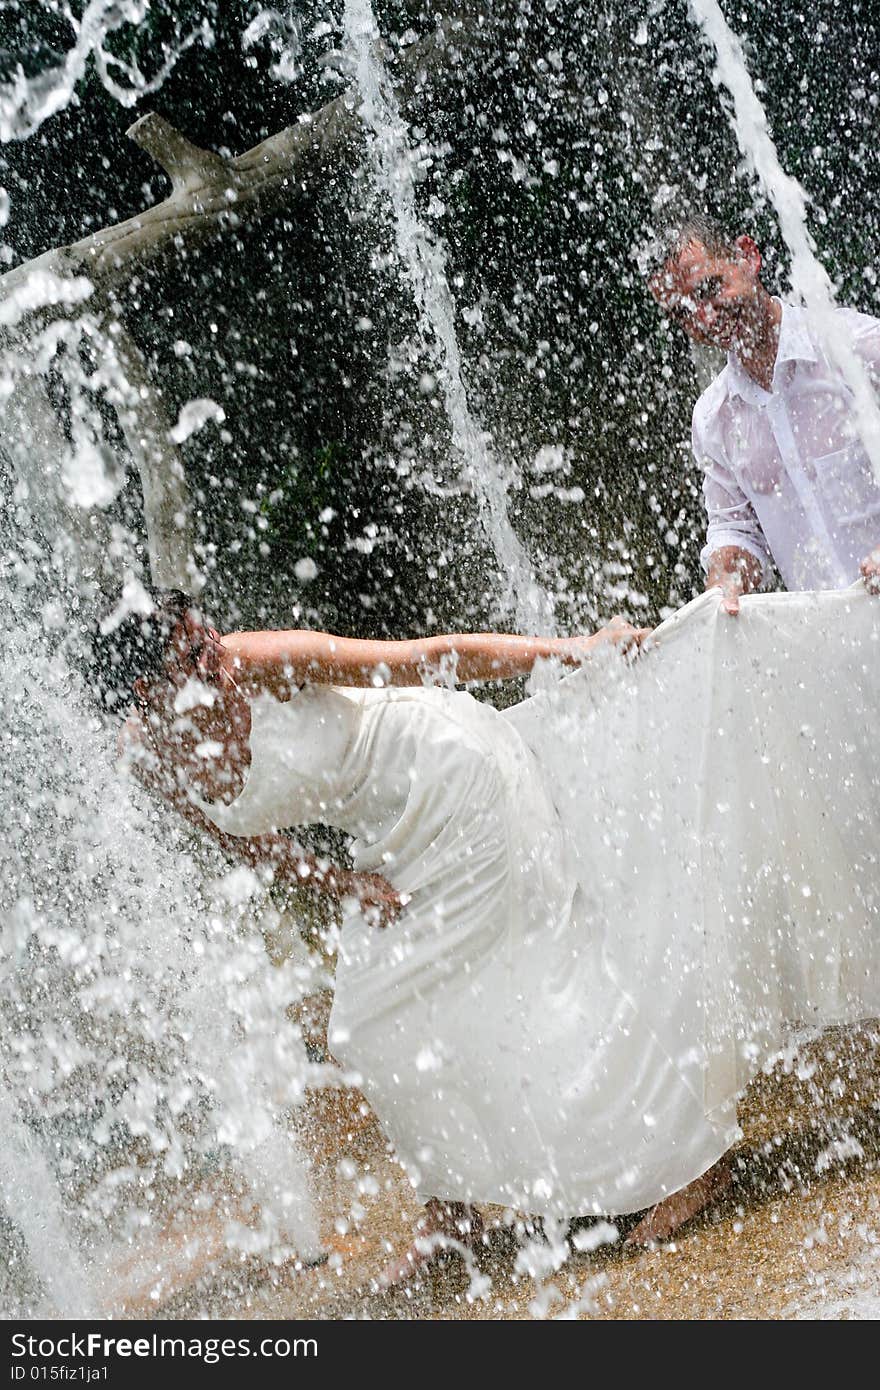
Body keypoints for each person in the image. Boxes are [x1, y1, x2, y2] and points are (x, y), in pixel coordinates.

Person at [97, 584, 880, 1286]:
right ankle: (455, 1208)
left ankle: (686, 1161)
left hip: (451, 776)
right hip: (389, 837)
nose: (217, 657)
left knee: (528, 979)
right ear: (146, 687)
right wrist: (341, 885)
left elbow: (424, 659)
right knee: (372, 1026)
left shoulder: (260, 662)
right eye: (194, 655)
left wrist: (564, 652)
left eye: (207, 635)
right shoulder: (154, 758)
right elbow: (247, 844)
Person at [649, 216, 880, 613]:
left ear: (748, 257)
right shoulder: (713, 418)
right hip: (831, 645)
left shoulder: (854, 348)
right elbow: (734, 528)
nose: (705, 318)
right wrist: (727, 581)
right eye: (684, 313)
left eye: (709, 289)